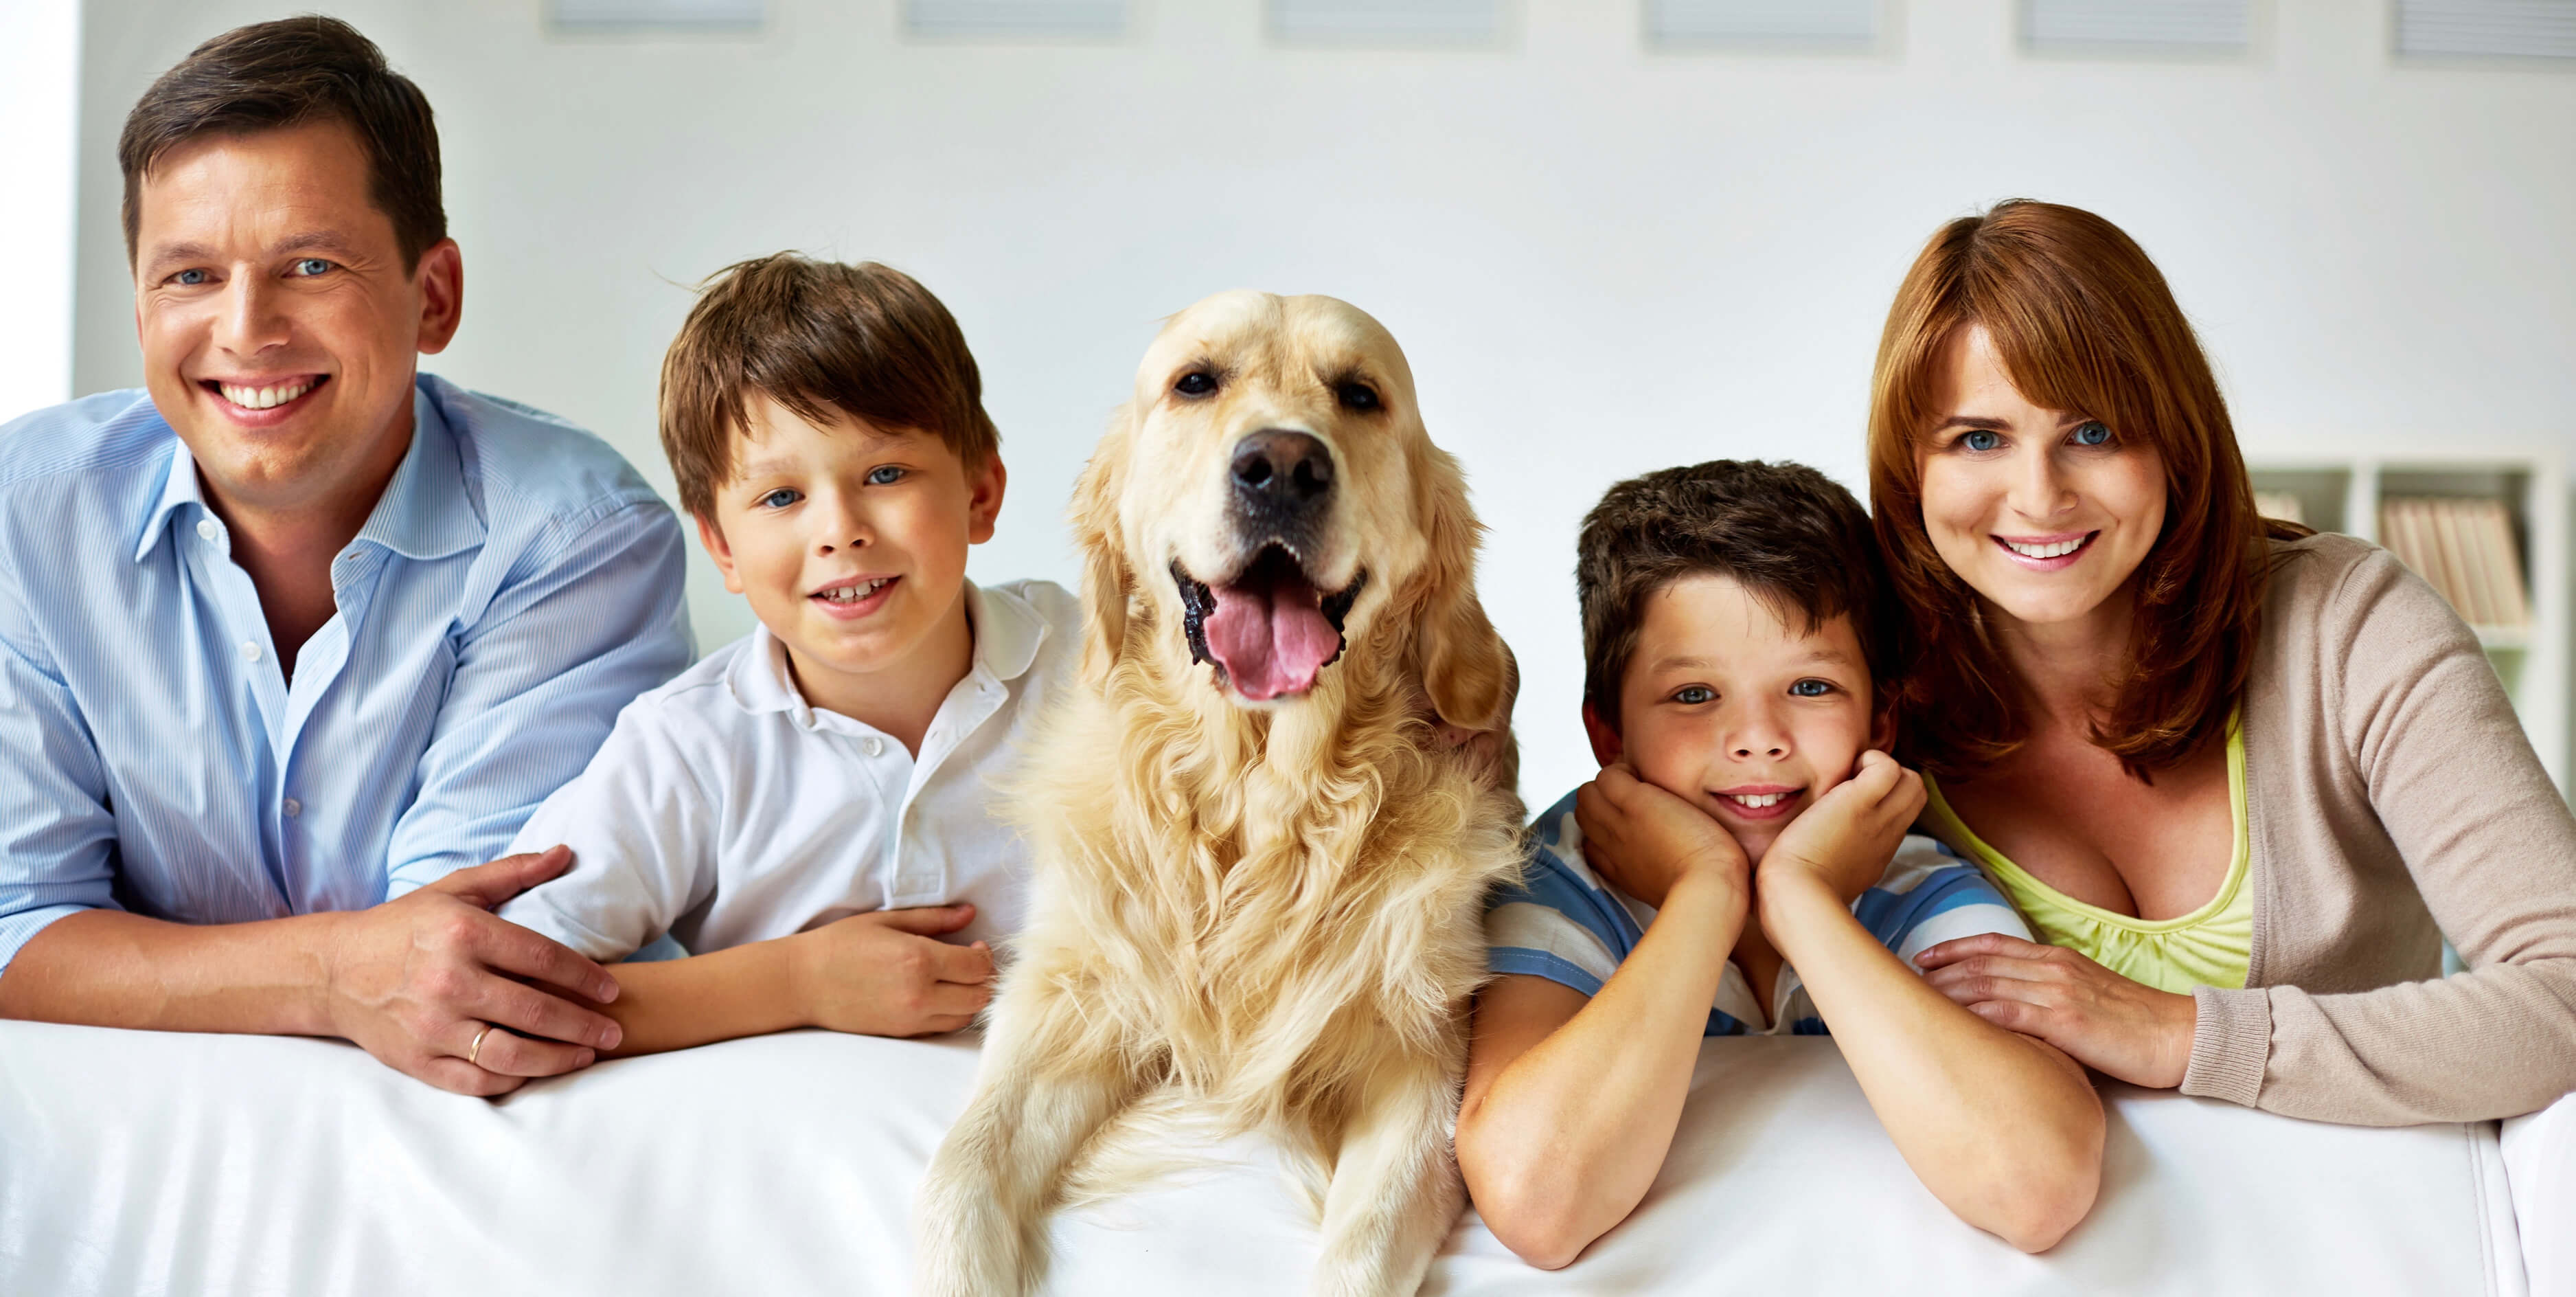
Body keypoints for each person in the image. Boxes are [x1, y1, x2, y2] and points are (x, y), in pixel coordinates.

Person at [0, 17, 692, 1096]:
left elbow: (469, 968)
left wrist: (146, 965)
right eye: (189, 276)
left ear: (434, 296)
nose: (246, 330)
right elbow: (14, 924)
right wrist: (328, 974)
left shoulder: (577, 538)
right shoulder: (22, 513)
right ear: (138, 300)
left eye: (310, 265)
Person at [1873, 199, 2576, 1124]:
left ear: (2172, 439)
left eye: (2091, 431)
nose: (2037, 496)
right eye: (1977, 438)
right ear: (1909, 466)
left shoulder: (2348, 626)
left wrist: (2182, 1036)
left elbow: (2562, 993)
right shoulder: (1861, 694)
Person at [1455, 460, 2104, 1267]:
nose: (1757, 737)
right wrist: (1705, 891)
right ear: (1609, 736)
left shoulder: (1914, 880)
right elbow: (1537, 1203)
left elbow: (2036, 1185)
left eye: (1809, 685)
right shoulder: (1563, 884)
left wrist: (1802, 901)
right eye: (1694, 694)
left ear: (1880, 721)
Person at [493, 253, 1081, 1056]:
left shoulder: (1101, 663)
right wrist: (796, 981)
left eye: (885, 472)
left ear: (980, 494)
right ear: (721, 547)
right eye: (781, 497)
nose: (839, 529)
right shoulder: (688, 745)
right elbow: (509, 989)